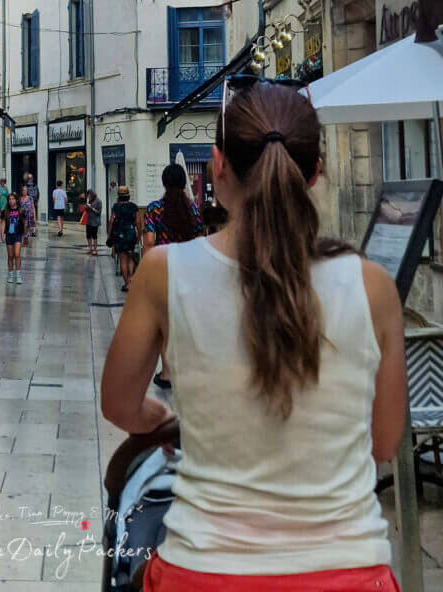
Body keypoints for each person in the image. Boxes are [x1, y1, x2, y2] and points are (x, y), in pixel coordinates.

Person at [101, 81, 406, 591]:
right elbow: (383, 441)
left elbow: (119, 405)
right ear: (314, 172)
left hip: (202, 571)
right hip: (350, 573)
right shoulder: (372, 285)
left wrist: (167, 417)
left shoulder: (162, 273)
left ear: (217, 166)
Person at [143, 164, 204, 390]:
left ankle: (167, 372)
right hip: (188, 270)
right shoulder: (194, 210)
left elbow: (149, 242)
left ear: (164, 182)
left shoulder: (154, 209)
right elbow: (200, 240)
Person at [107, 185, 140, 292]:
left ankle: (126, 284)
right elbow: (138, 222)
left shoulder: (116, 207)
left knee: (122, 259)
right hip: (131, 233)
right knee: (130, 257)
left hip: (119, 234)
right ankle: (131, 281)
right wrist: (138, 235)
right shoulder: (134, 206)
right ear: (128, 195)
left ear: (119, 196)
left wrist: (109, 235)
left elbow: (111, 221)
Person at [2, 192, 26, 284]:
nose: (11, 201)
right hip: (9, 235)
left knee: (17, 254)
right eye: (9, 199)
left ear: (16, 200)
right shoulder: (6, 211)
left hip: (17, 234)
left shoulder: (20, 210)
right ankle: (11, 275)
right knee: (10, 256)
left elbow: (24, 223)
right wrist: (2, 235)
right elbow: (3, 223)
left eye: (13, 199)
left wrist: (25, 236)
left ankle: (18, 275)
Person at [84, 190, 102, 255]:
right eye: (88, 196)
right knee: (88, 235)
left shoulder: (98, 201)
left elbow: (98, 212)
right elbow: (87, 210)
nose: (88, 197)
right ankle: (90, 248)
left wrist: (91, 208)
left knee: (94, 235)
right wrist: (86, 207)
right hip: (89, 220)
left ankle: (95, 249)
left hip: (95, 221)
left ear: (92, 195)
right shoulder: (90, 201)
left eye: (89, 195)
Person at [19, 185, 35, 249]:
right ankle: (24, 241)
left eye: (26, 190)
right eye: (23, 190)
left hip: (29, 216)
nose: (25, 191)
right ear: (22, 191)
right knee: (23, 228)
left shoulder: (30, 198)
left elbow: (33, 208)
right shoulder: (19, 198)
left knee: (26, 228)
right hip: (22, 216)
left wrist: (34, 217)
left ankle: (25, 241)